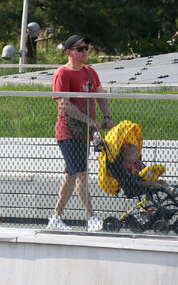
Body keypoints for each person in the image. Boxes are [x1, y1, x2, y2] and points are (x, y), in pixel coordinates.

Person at [48, 34, 114, 232]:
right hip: (69, 133)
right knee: (82, 174)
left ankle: (55, 218)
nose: (85, 52)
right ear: (69, 53)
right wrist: (91, 122)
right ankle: (91, 217)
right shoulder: (62, 74)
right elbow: (64, 104)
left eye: (86, 48)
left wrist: (108, 117)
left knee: (71, 175)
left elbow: (101, 97)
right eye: (80, 49)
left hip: (86, 133)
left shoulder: (90, 72)